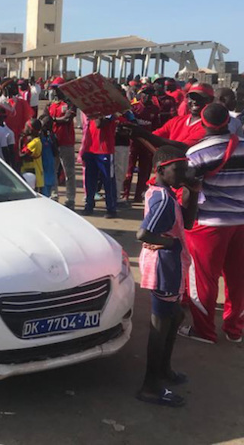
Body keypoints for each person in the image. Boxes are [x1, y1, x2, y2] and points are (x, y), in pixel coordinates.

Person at [135, 145, 198, 407]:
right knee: (160, 326)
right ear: (161, 169)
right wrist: (170, 244)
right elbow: (143, 234)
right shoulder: (162, 199)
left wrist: (192, 192)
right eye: (178, 169)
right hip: (164, 266)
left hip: (169, 265)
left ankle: (164, 371)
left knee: (175, 317)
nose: (184, 173)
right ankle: (150, 386)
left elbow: (188, 222)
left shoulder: (166, 192)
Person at [180, 103, 244, 344]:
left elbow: (189, 191)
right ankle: (234, 329)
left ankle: (204, 331)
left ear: (203, 123)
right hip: (241, 223)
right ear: (228, 122)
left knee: (204, 279)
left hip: (209, 224)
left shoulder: (196, 153)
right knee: (238, 278)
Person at [123, 86, 160, 203]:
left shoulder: (155, 109)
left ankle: (139, 195)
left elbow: (156, 128)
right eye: (145, 94)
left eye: (150, 94)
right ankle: (125, 194)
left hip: (147, 144)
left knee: (144, 171)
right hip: (133, 143)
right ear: (141, 94)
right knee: (128, 170)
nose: (148, 96)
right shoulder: (133, 107)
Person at [47, 81, 76, 208]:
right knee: (52, 170)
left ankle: (70, 199)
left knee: (69, 172)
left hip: (66, 142)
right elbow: (44, 118)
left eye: (57, 88)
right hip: (53, 142)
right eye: (53, 89)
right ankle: (54, 196)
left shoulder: (70, 103)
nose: (55, 91)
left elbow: (67, 119)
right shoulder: (51, 104)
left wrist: (52, 119)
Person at [82, 113, 118, 218]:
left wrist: (96, 113)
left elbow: (99, 124)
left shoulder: (109, 110)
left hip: (105, 150)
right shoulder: (91, 110)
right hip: (90, 148)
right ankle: (89, 205)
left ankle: (111, 208)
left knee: (108, 180)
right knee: (90, 180)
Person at [20, 119, 44, 191]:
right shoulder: (33, 140)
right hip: (30, 173)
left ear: (31, 129)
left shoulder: (35, 143)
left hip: (33, 175)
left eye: (26, 127)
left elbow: (21, 155)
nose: (24, 129)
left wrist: (20, 141)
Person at [40, 115, 58, 198]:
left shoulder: (52, 137)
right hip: (41, 167)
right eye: (46, 124)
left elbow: (55, 152)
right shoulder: (39, 137)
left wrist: (52, 137)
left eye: (50, 124)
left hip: (49, 167)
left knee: (48, 188)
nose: (47, 126)